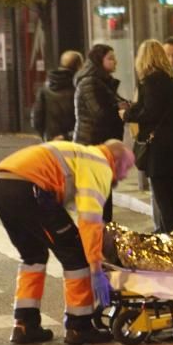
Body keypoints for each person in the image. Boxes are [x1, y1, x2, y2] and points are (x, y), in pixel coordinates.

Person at [0, 139, 135, 345]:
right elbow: (89, 221)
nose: (125, 175)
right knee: (76, 255)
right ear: (116, 161)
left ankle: (25, 325)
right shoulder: (100, 166)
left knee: (33, 256)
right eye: (126, 168)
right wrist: (94, 266)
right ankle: (79, 326)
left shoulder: (82, 155)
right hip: (28, 188)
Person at [122, 40, 173, 232]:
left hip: (157, 147)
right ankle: (171, 233)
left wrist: (127, 115)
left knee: (163, 197)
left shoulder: (150, 81)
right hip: (172, 144)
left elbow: (149, 112)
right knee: (171, 196)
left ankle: (170, 239)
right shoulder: (170, 79)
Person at [74, 43, 128, 223]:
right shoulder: (89, 82)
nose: (115, 61)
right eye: (110, 58)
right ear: (99, 60)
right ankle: (96, 241)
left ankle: (103, 237)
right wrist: (118, 108)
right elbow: (99, 113)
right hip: (92, 146)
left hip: (102, 146)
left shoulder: (103, 83)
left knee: (104, 193)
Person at [31, 50, 83, 141]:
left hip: (52, 141)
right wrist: (67, 136)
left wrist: (46, 136)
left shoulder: (45, 88)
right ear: (79, 66)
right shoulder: (79, 88)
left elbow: (37, 119)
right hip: (75, 141)